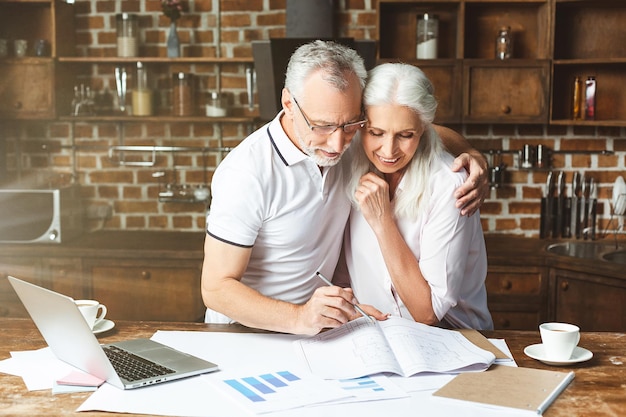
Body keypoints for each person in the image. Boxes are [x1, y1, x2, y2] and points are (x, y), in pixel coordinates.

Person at [201, 40, 489, 335]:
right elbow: (215, 289)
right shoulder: (247, 172)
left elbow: (409, 124)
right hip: (245, 333)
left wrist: (474, 154)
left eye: (351, 125)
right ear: (289, 104)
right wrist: (300, 317)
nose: (337, 144)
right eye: (322, 126)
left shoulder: (353, 144)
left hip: (319, 332)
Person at [341, 63, 493, 330]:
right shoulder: (347, 157)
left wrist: (382, 220)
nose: (388, 150)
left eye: (405, 135)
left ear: (423, 128)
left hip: (456, 339)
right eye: (376, 133)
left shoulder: (450, 185)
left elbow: (427, 313)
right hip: (377, 334)